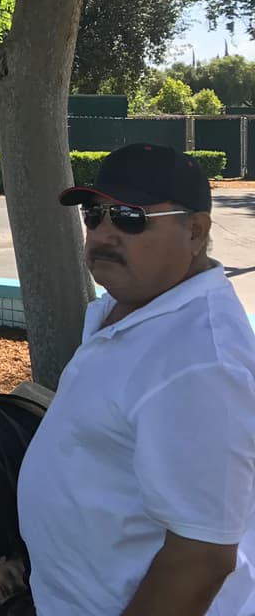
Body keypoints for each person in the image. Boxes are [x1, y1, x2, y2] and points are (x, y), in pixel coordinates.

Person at [17, 144, 255, 615]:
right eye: (94, 214)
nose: (103, 233)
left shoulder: (200, 363)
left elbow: (201, 560)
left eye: (129, 216)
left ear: (196, 230)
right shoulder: (127, 311)